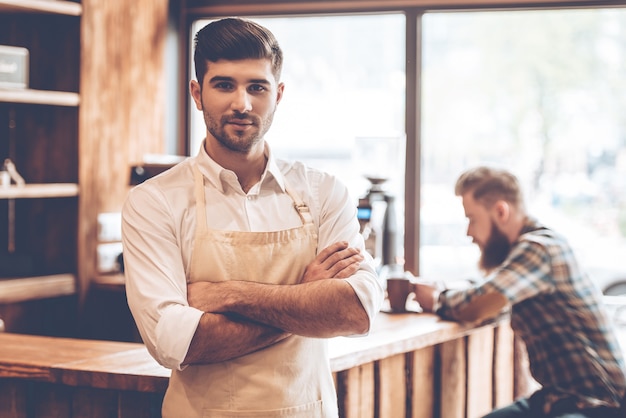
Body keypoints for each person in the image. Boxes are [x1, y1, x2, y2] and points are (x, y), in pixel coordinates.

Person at [121, 17, 383, 418]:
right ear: (197, 93)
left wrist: (229, 296)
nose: (241, 103)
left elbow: (356, 310)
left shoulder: (323, 191)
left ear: (278, 94)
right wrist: (304, 296)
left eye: (256, 87)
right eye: (224, 84)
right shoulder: (154, 202)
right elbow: (174, 343)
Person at [413, 166, 626, 418]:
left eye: (472, 219)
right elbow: (491, 296)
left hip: (599, 406)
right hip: (558, 398)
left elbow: (479, 303)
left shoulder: (539, 248)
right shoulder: (529, 252)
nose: (468, 232)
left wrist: (436, 298)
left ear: (501, 211)